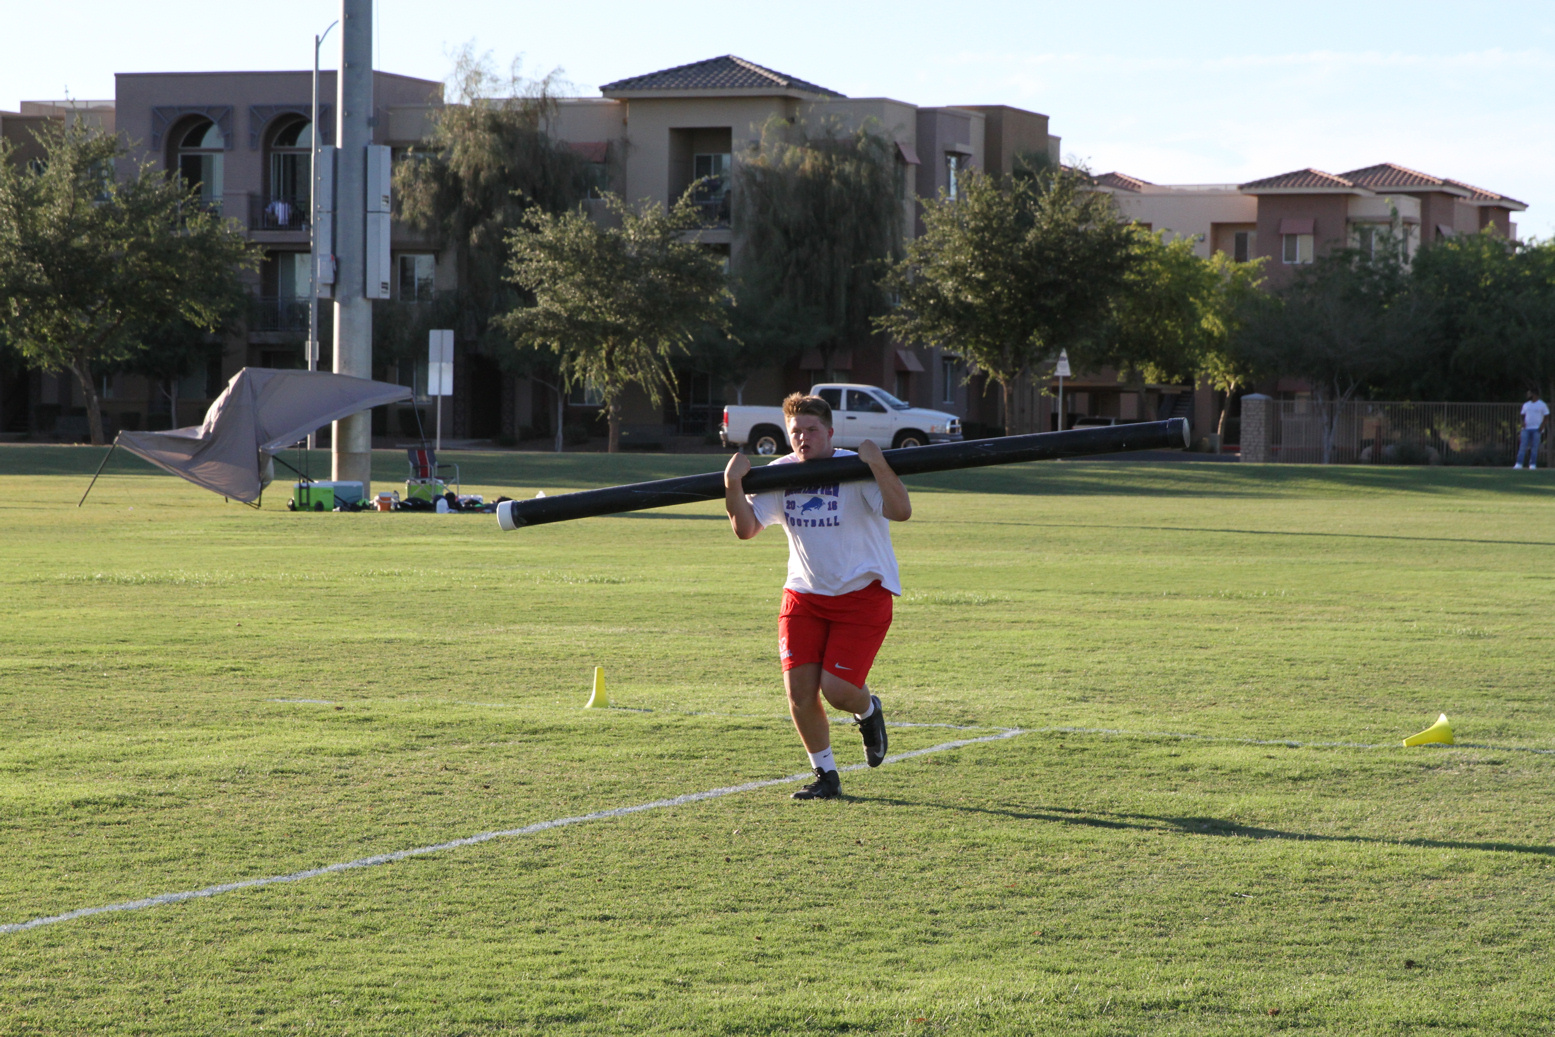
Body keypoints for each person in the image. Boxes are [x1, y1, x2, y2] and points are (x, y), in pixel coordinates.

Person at [724, 392, 912, 800]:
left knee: (839, 691)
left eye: (811, 430)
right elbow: (746, 529)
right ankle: (826, 776)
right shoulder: (781, 471)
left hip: (862, 594)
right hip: (804, 596)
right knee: (799, 694)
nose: (803, 438)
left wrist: (877, 461)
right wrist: (732, 483)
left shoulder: (854, 467)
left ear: (829, 432)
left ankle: (868, 710)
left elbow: (900, 511)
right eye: (796, 432)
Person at [1515, 389, 1549, 470]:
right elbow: (1522, 414)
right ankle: (1519, 464)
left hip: (1536, 429)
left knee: (1534, 447)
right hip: (1526, 429)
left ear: (1534, 395)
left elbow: (1546, 416)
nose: (1528, 395)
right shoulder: (1526, 405)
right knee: (1523, 446)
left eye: (1529, 394)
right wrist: (1522, 422)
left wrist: (1542, 426)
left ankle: (1532, 464)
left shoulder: (1542, 405)